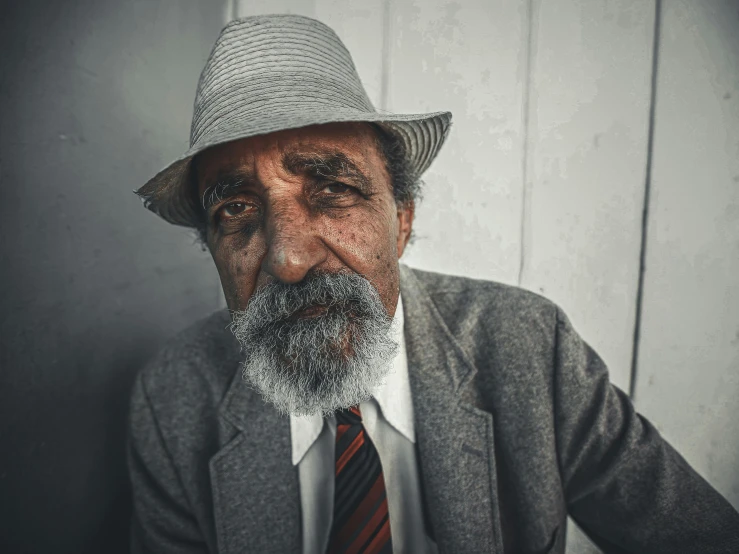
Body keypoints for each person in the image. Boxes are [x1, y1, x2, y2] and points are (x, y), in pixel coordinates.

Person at [127, 13, 739, 554]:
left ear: (403, 219)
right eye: (234, 209)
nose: (288, 261)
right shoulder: (172, 398)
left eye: (332, 190)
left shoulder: (531, 348)